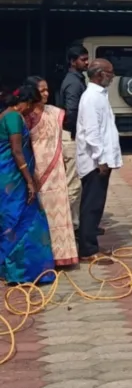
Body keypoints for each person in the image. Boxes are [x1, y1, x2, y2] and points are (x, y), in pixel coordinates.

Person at [0, 81, 56, 284]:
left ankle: (9, 268)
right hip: (13, 177)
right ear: (26, 102)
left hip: (8, 176)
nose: (31, 111)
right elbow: (17, 151)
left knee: (10, 220)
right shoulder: (14, 117)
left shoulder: (6, 114)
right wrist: (30, 182)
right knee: (24, 220)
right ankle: (23, 271)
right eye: (32, 106)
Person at [23, 76, 77, 268]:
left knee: (60, 210)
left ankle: (62, 255)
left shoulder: (54, 112)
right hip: (37, 170)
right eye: (42, 90)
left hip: (56, 170)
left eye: (47, 90)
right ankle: (42, 257)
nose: (46, 93)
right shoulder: (26, 116)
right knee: (40, 213)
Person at [75, 60, 121, 260]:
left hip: (102, 159)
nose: (112, 76)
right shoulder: (91, 97)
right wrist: (101, 159)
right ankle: (88, 249)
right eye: (110, 73)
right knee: (91, 205)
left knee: (97, 204)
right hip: (94, 162)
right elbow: (92, 132)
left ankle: (91, 243)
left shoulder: (100, 95)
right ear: (100, 74)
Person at [57, 44, 89, 231]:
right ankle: (65, 226)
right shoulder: (74, 83)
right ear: (72, 61)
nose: (87, 62)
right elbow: (71, 112)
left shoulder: (77, 79)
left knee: (77, 183)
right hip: (71, 137)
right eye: (83, 60)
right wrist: (79, 132)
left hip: (73, 135)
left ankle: (75, 224)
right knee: (73, 184)